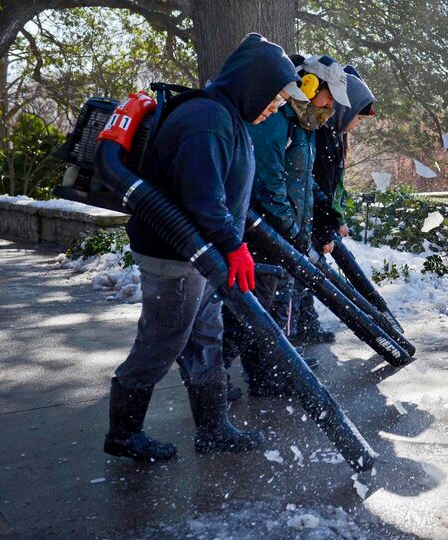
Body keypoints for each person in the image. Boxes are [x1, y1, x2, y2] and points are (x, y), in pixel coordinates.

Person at [104, 33, 308, 462]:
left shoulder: (224, 117)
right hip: (175, 256)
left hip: (198, 257)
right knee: (163, 341)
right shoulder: (207, 120)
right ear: (253, 85)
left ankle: (214, 428)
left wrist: (233, 242)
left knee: (206, 338)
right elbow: (202, 196)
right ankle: (123, 434)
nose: (277, 106)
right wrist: (234, 245)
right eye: (274, 97)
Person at [223, 54, 349, 397]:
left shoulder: (303, 125)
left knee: (272, 305)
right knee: (253, 306)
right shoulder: (276, 120)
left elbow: (303, 179)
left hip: (284, 229)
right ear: (309, 86)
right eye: (328, 98)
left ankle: (266, 374)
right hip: (262, 229)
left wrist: (324, 214)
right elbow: (268, 182)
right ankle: (215, 374)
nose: (330, 107)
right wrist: (289, 229)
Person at [299, 67, 376, 340]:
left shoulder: (332, 135)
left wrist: (337, 216)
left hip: (316, 216)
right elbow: (312, 183)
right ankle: (301, 329)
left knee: (308, 275)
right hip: (306, 219)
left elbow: (335, 185)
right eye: (356, 117)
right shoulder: (319, 133)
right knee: (307, 274)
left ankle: (305, 326)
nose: (356, 123)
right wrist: (324, 227)